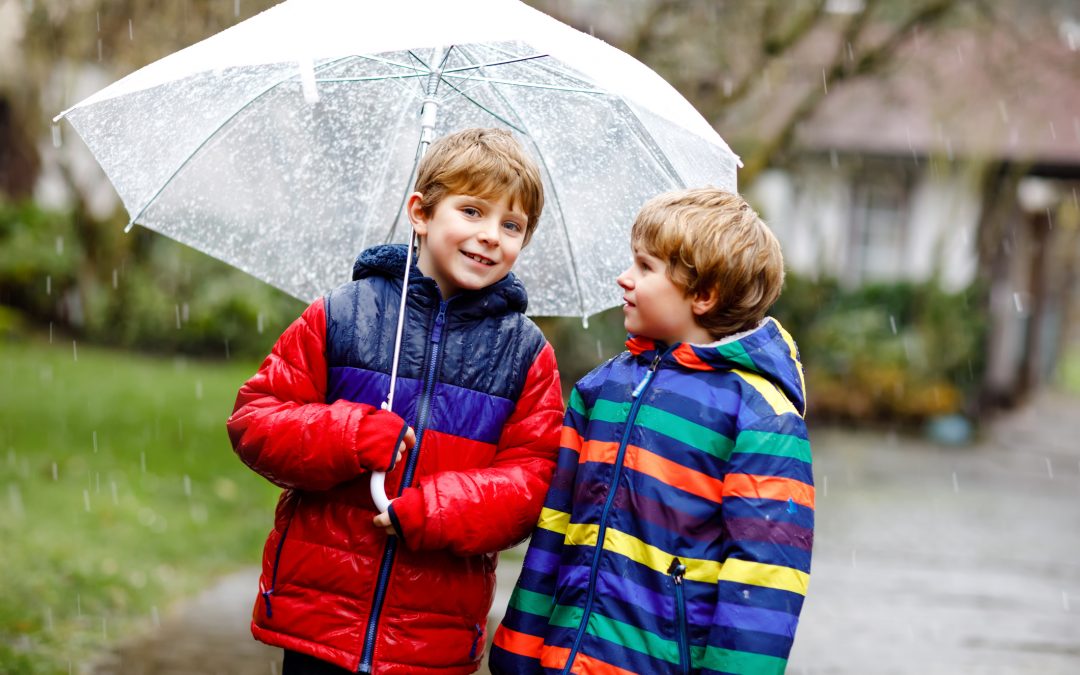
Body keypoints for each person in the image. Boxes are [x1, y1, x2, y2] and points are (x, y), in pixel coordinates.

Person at [227, 127, 565, 675]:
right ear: (421, 212)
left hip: (430, 632)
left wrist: (438, 509)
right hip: (322, 616)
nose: (490, 236)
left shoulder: (525, 353)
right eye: (473, 211)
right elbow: (256, 421)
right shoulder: (343, 314)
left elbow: (531, 479)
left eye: (512, 225)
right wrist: (348, 434)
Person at [490, 187, 814, 675]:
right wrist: (517, 652)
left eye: (644, 267)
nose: (624, 278)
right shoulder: (602, 389)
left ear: (703, 296)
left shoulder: (761, 417)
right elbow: (556, 527)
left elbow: (765, 581)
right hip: (563, 661)